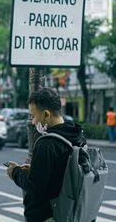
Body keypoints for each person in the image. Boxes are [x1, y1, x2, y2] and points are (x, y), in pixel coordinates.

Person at [5, 87, 86, 222]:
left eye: (34, 116)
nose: (32, 122)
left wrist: (15, 172)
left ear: (46, 114)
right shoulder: (77, 135)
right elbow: (62, 172)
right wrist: (34, 169)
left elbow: (34, 186)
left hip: (48, 215)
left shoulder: (47, 144)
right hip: (68, 211)